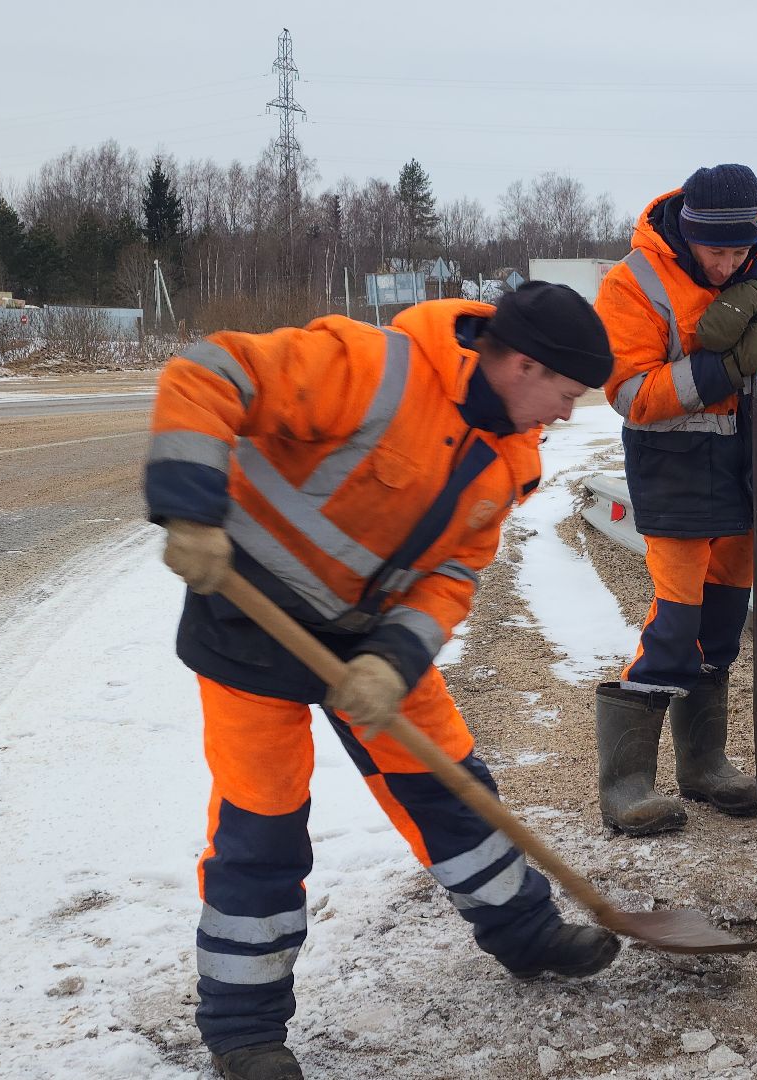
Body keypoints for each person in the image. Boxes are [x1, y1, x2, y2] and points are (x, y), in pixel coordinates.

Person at [145, 283, 621, 1080]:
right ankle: (245, 1032)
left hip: (368, 641)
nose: (567, 414)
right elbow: (208, 371)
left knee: (453, 787)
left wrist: (391, 659)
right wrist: (189, 511)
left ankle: (526, 934)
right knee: (259, 829)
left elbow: (453, 576)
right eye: (565, 395)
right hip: (250, 621)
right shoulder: (374, 366)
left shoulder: (511, 456)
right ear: (523, 364)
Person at [589, 163, 757, 835]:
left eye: (736, 250)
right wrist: (720, 367)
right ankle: (627, 783)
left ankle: (704, 766)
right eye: (713, 251)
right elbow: (630, 394)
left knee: (722, 620)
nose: (725, 264)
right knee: (675, 624)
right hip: (674, 468)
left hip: (748, 461)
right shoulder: (635, 281)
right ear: (688, 232)